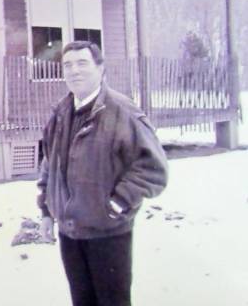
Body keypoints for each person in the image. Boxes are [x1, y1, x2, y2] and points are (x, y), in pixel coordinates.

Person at [37, 41, 168, 306]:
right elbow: (49, 164)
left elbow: (153, 168)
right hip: (71, 234)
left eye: (82, 63)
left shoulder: (122, 112)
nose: (74, 71)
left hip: (108, 233)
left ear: (100, 68)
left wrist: (118, 202)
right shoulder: (61, 113)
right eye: (68, 65)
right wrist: (47, 211)